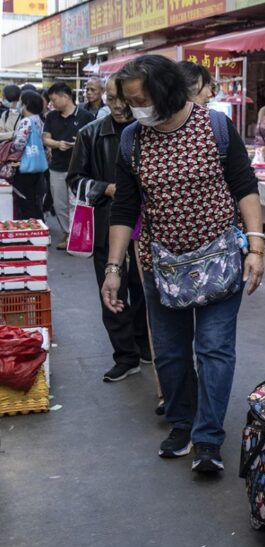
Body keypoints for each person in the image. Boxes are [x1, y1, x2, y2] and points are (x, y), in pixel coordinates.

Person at [102, 56, 264, 474]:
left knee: (213, 349)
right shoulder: (132, 141)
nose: (134, 108)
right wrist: (113, 269)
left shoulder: (216, 128)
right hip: (162, 266)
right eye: (129, 101)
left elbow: (244, 187)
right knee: (171, 354)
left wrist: (257, 247)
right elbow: (125, 207)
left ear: (166, 91)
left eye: (140, 99)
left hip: (220, 261)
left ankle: (208, 439)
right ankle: (181, 423)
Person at [67, 78, 152, 382]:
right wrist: (108, 189)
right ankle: (125, 355)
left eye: (123, 99)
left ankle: (146, 346)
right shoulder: (90, 134)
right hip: (107, 226)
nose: (117, 106)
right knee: (112, 289)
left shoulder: (149, 130)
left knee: (144, 290)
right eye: (112, 98)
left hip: (147, 227)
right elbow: (75, 180)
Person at [43, 82, 94, 250]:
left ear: (65, 96)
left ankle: (75, 237)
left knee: (76, 203)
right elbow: (45, 138)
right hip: (57, 167)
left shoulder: (85, 116)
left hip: (79, 168)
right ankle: (68, 233)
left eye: (54, 99)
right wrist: (57, 144)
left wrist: (78, 143)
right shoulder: (51, 117)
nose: (52, 103)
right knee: (59, 204)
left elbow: (92, 139)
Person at [10, 90, 47, 219]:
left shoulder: (26, 121)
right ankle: (40, 225)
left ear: (26, 104)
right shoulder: (40, 120)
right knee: (35, 199)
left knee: (25, 199)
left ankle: (30, 227)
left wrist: (11, 146)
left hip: (25, 165)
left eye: (21, 102)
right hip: (38, 165)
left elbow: (19, 144)